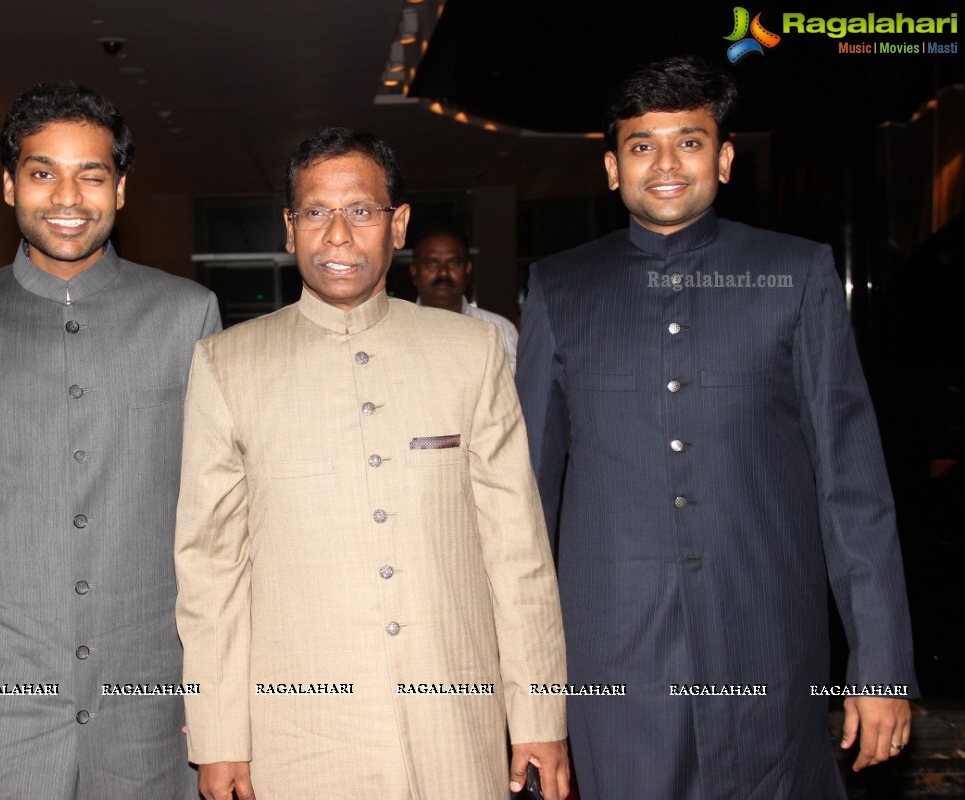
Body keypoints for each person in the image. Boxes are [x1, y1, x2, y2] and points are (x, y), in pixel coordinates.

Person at [516, 55, 917, 798]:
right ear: (612, 168)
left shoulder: (797, 275)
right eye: (641, 145)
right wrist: (525, 692)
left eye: (689, 141)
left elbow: (852, 487)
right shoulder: (560, 288)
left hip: (768, 647)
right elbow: (527, 505)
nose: (665, 163)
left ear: (724, 159)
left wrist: (882, 667)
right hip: (612, 662)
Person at [174, 127, 568, 800]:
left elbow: (517, 549)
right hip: (299, 734)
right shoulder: (226, 364)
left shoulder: (470, 352)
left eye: (360, 211)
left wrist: (538, 713)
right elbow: (211, 572)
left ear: (399, 224)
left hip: (454, 722)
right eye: (315, 213)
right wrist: (217, 736)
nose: (337, 236)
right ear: (290, 227)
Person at [0, 82, 220, 800]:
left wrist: (220, 692)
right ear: (9, 184)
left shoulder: (186, 316)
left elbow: (217, 521)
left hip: (150, 694)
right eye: (43, 172)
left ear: (121, 190)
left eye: (91, 174)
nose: (67, 196)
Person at [410, 225, 520, 373]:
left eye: (453, 263)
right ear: (414, 270)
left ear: (467, 268)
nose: (443, 273)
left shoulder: (501, 330)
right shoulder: (394, 332)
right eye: (432, 263)